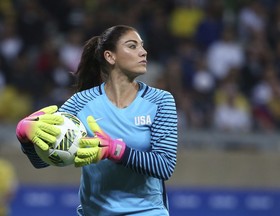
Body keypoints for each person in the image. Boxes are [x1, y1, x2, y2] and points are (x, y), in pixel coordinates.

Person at [15, 25, 178, 215]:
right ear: (110, 56)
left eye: (142, 46)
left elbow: (165, 166)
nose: (143, 52)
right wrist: (26, 138)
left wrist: (114, 150)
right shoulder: (81, 102)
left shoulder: (160, 100)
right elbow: (43, 161)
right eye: (132, 46)